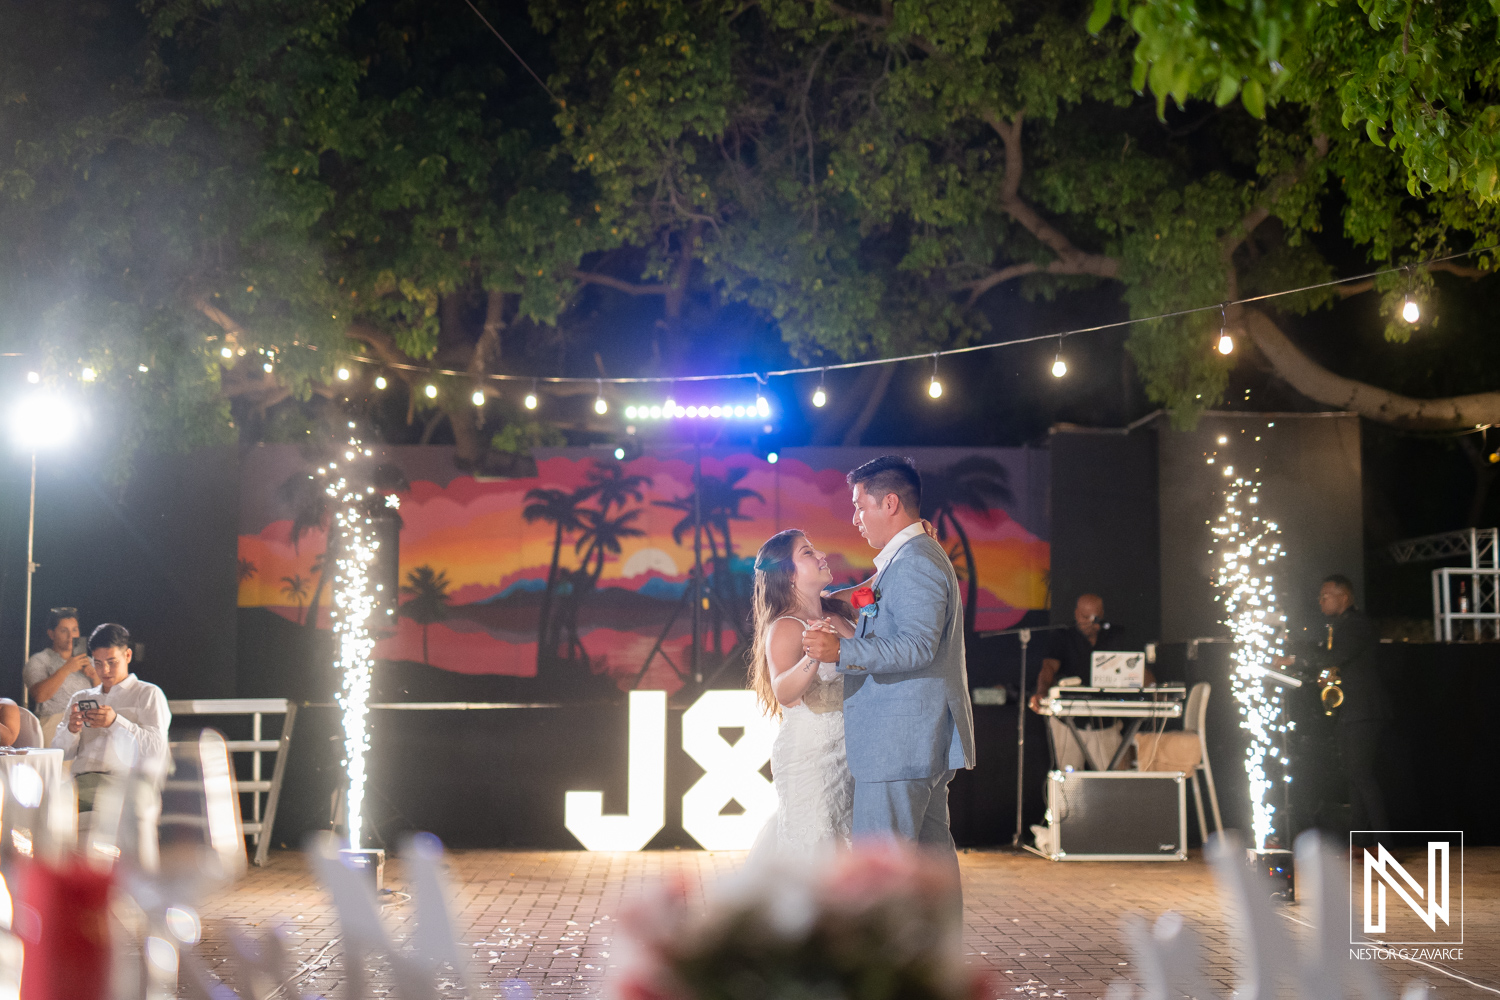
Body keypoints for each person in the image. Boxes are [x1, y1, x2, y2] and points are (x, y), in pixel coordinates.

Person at [801, 455, 975, 903]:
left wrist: (841, 651)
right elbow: (875, 598)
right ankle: (939, 948)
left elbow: (917, 645)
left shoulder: (916, 561)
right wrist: (828, 601)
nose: (855, 519)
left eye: (860, 506)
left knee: (879, 879)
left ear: (890, 503)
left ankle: (884, 949)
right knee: (930, 874)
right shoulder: (911, 557)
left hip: (899, 743)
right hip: (914, 741)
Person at [748, 530, 857, 854]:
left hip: (850, 755)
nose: (821, 555)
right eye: (808, 552)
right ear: (789, 575)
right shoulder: (786, 626)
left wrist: (911, 540)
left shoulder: (836, 611)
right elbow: (783, 691)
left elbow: (881, 584)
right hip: (810, 756)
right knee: (815, 851)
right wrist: (813, 656)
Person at [1275, 575, 1392, 841]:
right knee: (1354, 776)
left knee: (1361, 775)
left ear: (1344, 597)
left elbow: (1334, 657)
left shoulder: (1356, 625)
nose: (1321, 601)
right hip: (1351, 710)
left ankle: (1385, 843)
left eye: (1326, 596)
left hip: (1364, 710)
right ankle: (1360, 841)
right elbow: (1341, 663)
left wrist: (1293, 659)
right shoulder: (1341, 626)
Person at [52, 623, 171, 812]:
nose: (104, 670)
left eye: (112, 662)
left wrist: (115, 722)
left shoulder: (148, 694)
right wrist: (71, 730)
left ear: (128, 655)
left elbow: (156, 749)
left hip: (123, 783)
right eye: (98, 663)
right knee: (37, 801)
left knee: (56, 807)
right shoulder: (81, 697)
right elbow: (59, 752)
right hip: (80, 783)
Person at [1028, 594, 1151, 772]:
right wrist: (1042, 690)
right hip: (1068, 720)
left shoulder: (1115, 635)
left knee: (1112, 777)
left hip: (1106, 720)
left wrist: (1152, 689)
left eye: (1095, 618)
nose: (1089, 622)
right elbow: (1048, 667)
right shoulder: (1063, 636)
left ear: (1102, 614)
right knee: (1069, 776)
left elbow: (1139, 668)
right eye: (1085, 617)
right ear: (1076, 614)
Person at [23, 606, 98, 744]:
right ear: (51, 634)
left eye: (74, 630)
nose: (71, 636)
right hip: (54, 723)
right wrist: (66, 669)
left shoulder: (88, 661)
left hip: (86, 723)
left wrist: (95, 676)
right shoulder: (40, 660)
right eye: (64, 631)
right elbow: (39, 695)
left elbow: (106, 694)